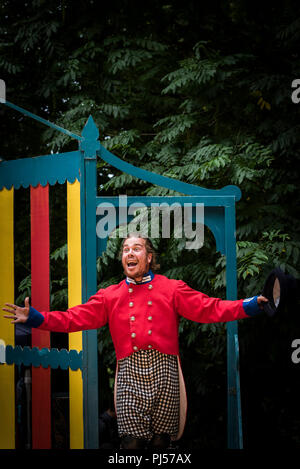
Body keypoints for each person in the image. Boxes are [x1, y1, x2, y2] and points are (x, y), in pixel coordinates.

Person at [3, 233, 268, 449]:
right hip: (129, 372)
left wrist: (250, 305)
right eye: (125, 249)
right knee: (131, 444)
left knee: (161, 443)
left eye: (137, 248)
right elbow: (74, 319)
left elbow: (211, 308)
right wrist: (37, 318)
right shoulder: (110, 295)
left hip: (165, 371)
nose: (130, 253)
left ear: (149, 257)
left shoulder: (172, 288)